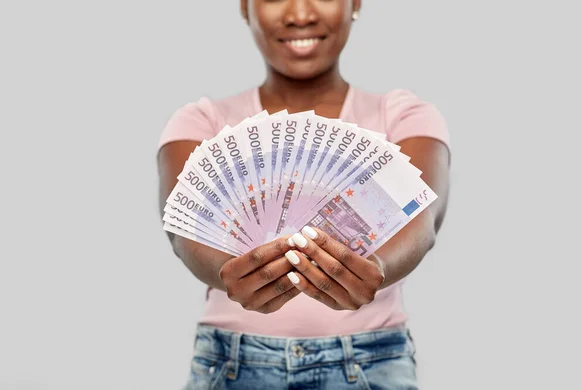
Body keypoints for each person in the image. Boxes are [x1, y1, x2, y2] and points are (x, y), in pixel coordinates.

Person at [156, 1, 451, 388]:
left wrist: (376, 269)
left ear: (355, 4)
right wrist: (227, 273)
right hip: (232, 363)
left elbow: (422, 219)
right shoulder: (200, 122)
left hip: (370, 363)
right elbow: (183, 229)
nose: (300, 14)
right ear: (245, 7)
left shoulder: (404, 115)